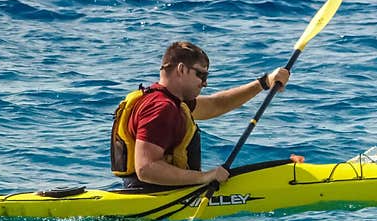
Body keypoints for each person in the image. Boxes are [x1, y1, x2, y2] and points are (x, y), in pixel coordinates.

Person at [111, 41, 303, 188]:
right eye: (201, 75)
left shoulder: (171, 102)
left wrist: (263, 83)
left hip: (154, 193)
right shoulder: (161, 108)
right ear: (181, 70)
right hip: (157, 199)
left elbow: (216, 104)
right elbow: (146, 169)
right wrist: (205, 177)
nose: (204, 83)